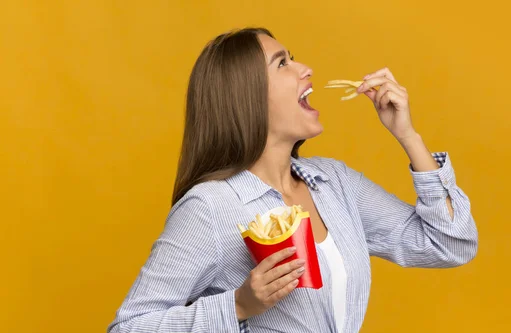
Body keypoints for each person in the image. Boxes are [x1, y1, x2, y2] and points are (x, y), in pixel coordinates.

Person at [107, 27, 478, 333]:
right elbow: (129, 327)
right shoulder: (212, 208)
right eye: (282, 63)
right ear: (247, 97)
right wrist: (239, 305)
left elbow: (449, 244)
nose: (305, 69)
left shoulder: (335, 183)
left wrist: (408, 137)